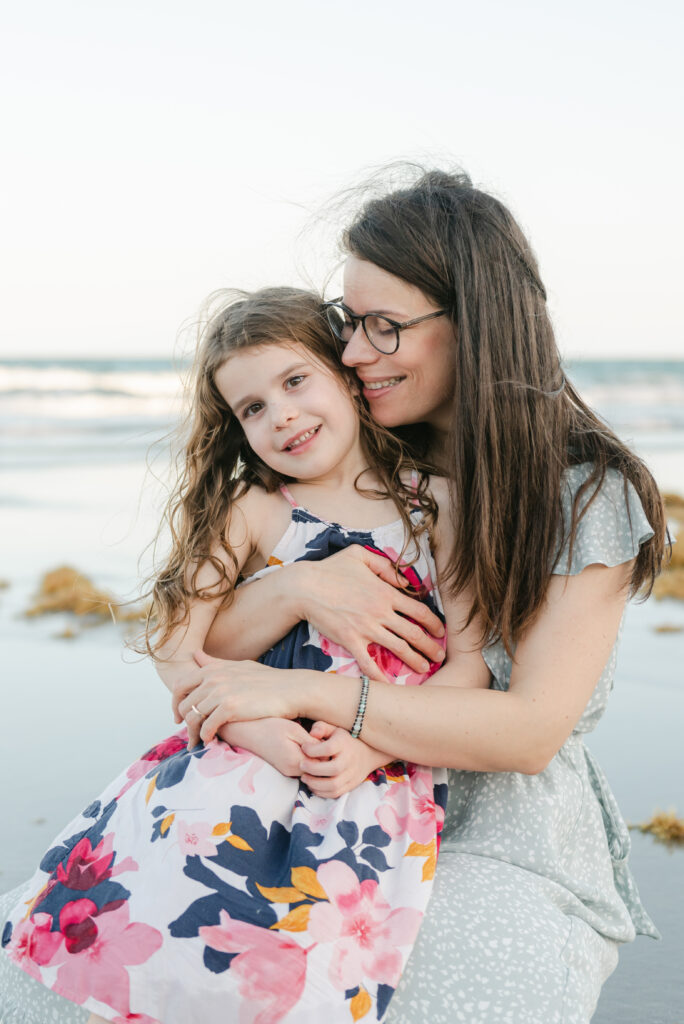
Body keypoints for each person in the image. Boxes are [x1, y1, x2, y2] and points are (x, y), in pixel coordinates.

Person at [170, 169, 669, 1024]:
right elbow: (204, 644)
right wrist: (296, 586)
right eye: (346, 323)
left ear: (473, 321)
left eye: (384, 327)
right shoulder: (347, 454)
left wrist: (314, 693)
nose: (354, 353)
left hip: (500, 832)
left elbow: (529, 730)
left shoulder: (584, 490)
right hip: (314, 798)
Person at [0, 286, 489, 1024]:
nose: (281, 414)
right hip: (240, 755)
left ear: (346, 372)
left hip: (365, 770)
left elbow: (471, 664)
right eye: (251, 408)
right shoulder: (256, 508)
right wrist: (245, 726)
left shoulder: (438, 507)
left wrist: (372, 742)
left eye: (295, 382)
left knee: (309, 957)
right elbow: (174, 642)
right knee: (160, 901)